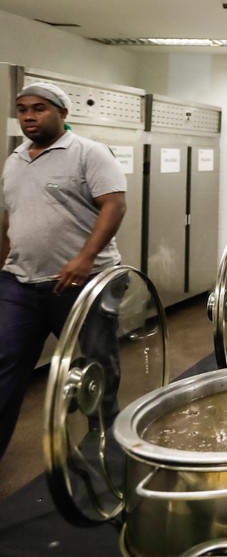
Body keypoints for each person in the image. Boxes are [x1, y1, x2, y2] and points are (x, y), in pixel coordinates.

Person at [0, 82, 127, 462]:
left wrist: (86, 257)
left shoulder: (89, 153)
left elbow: (114, 205)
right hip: (20, 281)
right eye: (22, 109)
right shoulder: (15, 159)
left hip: (83, 282)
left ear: (62, 113)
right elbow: (10, 218)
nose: (28, 116)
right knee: (4, 362)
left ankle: (105, 439)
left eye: (39, 108)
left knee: (97, 360)